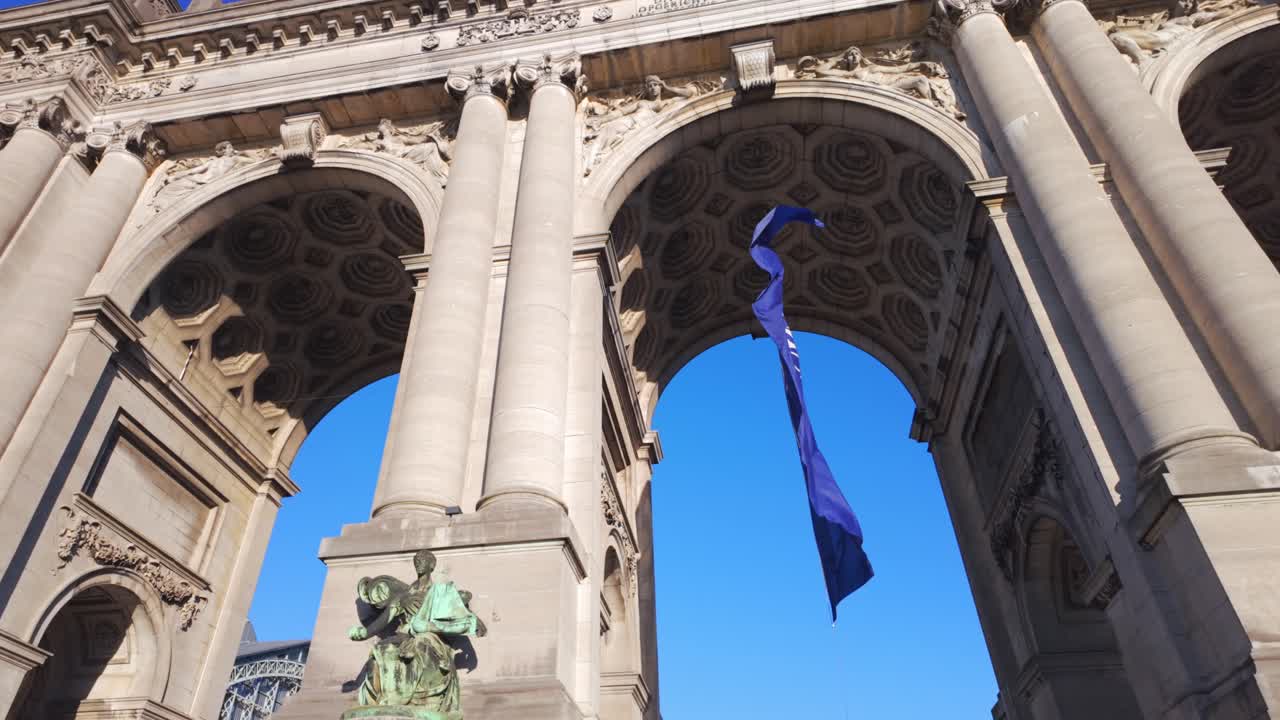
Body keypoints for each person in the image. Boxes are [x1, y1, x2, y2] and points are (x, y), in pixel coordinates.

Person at [348, 550, 486, 712]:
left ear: (432, 565)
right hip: (404, 635)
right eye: (417, 559)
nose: (419, 562)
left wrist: (475, 620)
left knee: (421, 644)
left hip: (430, 637)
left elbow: (459, 612)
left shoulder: (439, 592)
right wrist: (363, 633)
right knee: (380, 650)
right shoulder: (404, 595)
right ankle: (382, 700)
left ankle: (415, 698)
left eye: (424, 559)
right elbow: (383, 620)